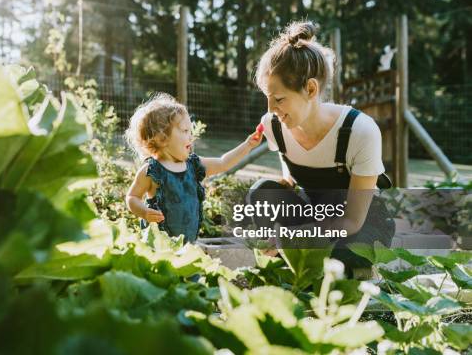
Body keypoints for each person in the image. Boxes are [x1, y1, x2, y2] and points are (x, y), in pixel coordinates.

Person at [252, 20, 395, 271]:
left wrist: (296, 235)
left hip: (358, 224)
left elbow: (352, 220)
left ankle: (316, 264)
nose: (270, 109)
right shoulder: (274, 125)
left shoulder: (360, 131)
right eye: (267, 98)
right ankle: (291, 261)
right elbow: (290, 170)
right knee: (261, 192)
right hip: (315, 212)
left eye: (279, 99)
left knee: (346, 253)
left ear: (310, 88)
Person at [125, 93, 262, 243]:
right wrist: (143, 211)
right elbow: (132, 197)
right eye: (185, 131)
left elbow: (223, 163)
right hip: (159, 245)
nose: (191, 136)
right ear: (161, 138)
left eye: (190, 131)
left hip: (188, 244)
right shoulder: (151, 171)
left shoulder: (193, 165)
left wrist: (248, 145)